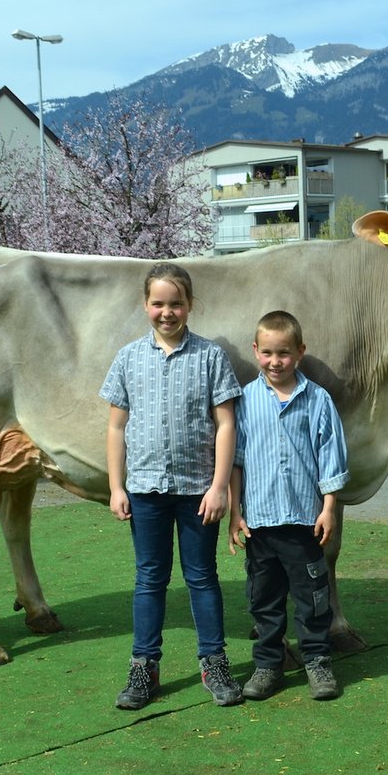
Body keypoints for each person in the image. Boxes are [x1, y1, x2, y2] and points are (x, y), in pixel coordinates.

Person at [101, 262, 244, 710]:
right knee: (149, 579)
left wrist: (220, 486)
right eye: (158, 303)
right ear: (146, 305)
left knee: (201, 577)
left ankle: (214, 663)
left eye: (176, 303)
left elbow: (226, 425)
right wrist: (116, 486)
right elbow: (115, 427)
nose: (167, 312)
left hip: (197, 489)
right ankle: (144, 667)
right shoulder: (128, 357)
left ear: (190, 306)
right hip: (144, 490)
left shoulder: (209, 357)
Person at [228, 310, 350, 701]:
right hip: (260, 523)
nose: (275, 361)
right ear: (255, 351)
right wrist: (235, 512)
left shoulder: (317, 399)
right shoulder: (245, 401)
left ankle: (317, 661)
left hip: (303, 521)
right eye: (267, 353)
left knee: (312, 598)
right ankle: (269, 664)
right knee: (263, 598)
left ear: (300, 351)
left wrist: (328, 507)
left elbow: (331, 455)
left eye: (283, 353)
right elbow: (237, 460)